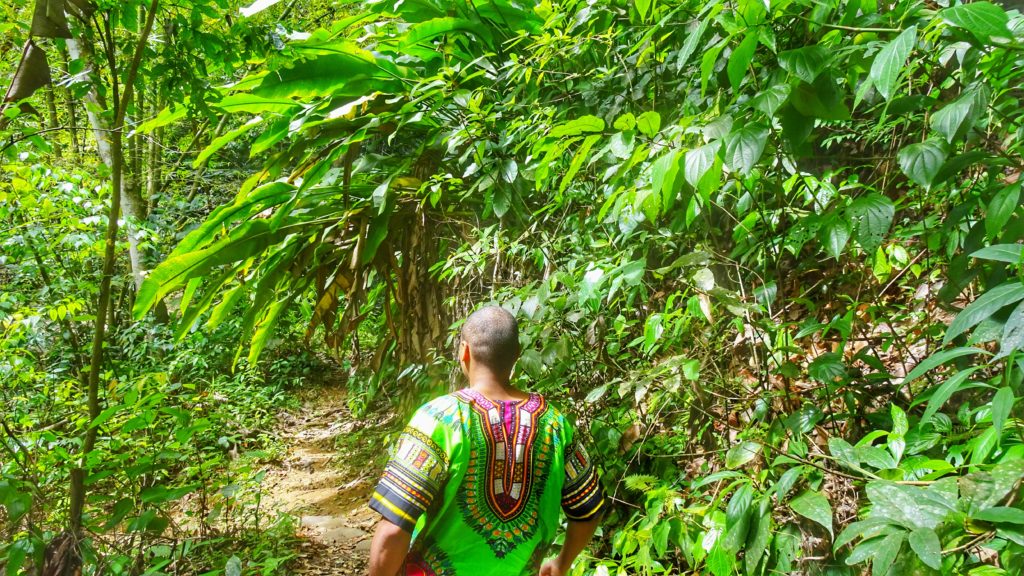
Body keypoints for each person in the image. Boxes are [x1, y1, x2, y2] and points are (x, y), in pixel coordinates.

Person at [367, 306, 605, 576]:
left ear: (464, 351)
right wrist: (561, 564)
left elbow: (394, 529)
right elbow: (588, 509)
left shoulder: (439, 419)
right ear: (516, 355)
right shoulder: (554, 424)